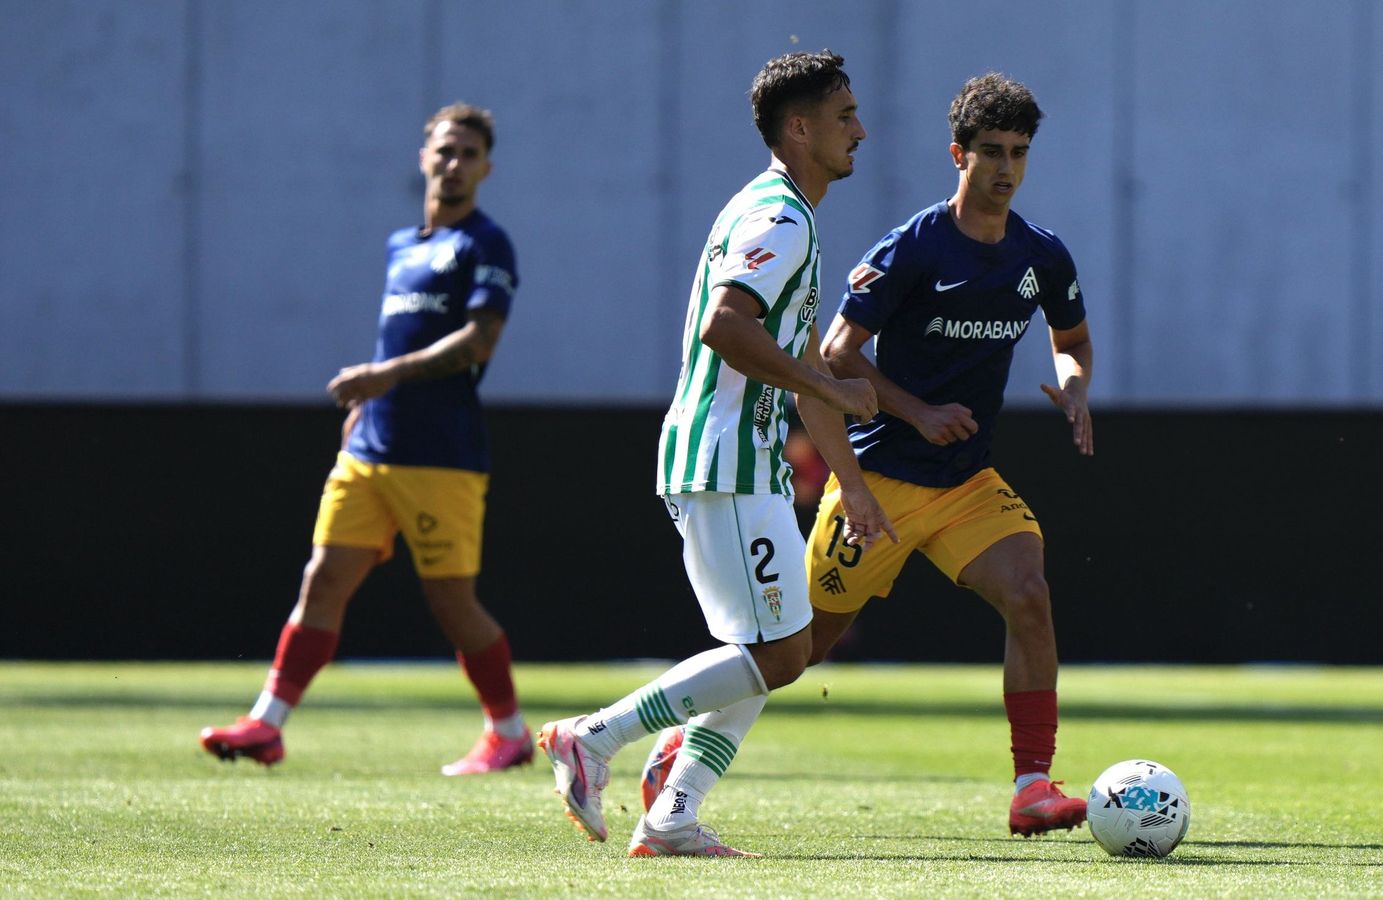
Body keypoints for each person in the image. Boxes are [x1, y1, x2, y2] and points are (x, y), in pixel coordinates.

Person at [537, 50, 895, 858]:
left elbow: (802, 370)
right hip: (725, 456)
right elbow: (725, 328)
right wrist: (835, 391)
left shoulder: (790, 215)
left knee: (771, 651)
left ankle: (670, 817)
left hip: (749, 461)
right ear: (798, 129)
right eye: (844, 117)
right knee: (778, 650)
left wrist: (852, 482)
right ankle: (594, 739)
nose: (860, 131)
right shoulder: (778, 217)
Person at [805, 72, 1095, 837]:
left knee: (1029, 592)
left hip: (966, 483)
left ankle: (1032, 785)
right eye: (991, 152)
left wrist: (1074, 387)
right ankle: (679, 741)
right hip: (878, 482)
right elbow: (836, 355)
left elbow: (1072, 343)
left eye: (1020, 154)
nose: (1006, 169)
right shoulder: (913, 247)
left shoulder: (1041, 256)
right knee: (797, 651)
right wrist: (917, 409)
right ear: (958, 155)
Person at [199, 103, 529, 777]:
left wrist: (381, 376)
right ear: (423, 157)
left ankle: (509, 732)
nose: (454, 162)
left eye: (469, 153)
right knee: (322, 580)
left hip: (440, 457)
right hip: (370, 448)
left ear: (486, 169)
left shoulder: (486, 245)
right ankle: (267, 724)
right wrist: (369, 404)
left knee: (451, 603)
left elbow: (479, 342)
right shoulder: (401, 246)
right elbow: (401, 337)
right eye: (445, 150)